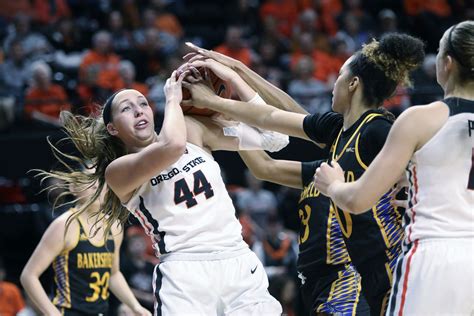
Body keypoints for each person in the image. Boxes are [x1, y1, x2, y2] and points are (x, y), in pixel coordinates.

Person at [184, 32, 425, 315]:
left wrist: (416, 187)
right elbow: (269, 118)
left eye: (337, 75)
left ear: (353, 83)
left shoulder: (378, 129)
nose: (331, 83)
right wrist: (234, 74)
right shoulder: (337, 133)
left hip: (368, 270)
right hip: (339, 276)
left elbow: (425, 159)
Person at [38, 68, 285, 315]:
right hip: (184, 273)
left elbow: (275, 138)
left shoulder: (192, 131)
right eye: (126, 108)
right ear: (113, 129)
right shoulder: (118, 171)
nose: (138, 110)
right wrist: (171, 99)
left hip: (237, 260)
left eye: (143, 103)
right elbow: (172, 146)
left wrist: (233, 75)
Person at [313, 21, 474, 315]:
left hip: (433, 256)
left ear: (447, 63)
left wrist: (333, 184)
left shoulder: (419, 119)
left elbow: (357, 200)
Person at [20, 171, 150, 316]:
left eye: (101, 181)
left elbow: (113, 274)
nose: (97, 186)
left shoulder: (114, 225)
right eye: (90, 180)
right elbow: (29, 275)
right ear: (73, 188)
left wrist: (135, 306)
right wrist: (52, 313)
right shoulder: (64, 225)